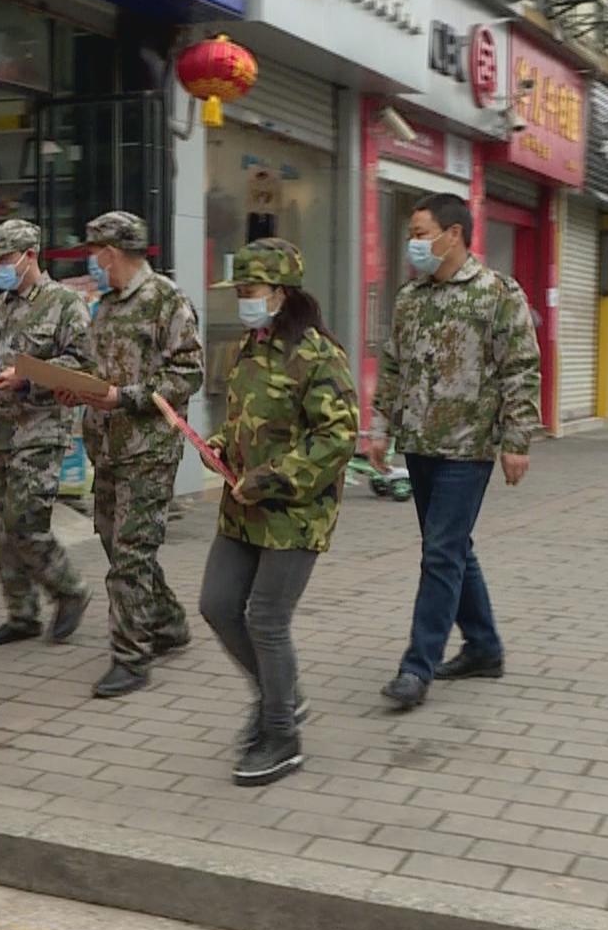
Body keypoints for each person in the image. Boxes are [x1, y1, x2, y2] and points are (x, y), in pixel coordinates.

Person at [365, 192, 540, 710]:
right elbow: (393, 365)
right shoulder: (411, 296)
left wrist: (516, 439)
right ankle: (484, 648)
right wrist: (379, 428)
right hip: (420, 443)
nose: (414, 243)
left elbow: (521, 369)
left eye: (421, 233)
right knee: (454, 548)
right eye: (412, 235)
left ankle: (417, 667)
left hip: (469, 447)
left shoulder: (497, 294)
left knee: (440, 552)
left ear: (454, 234)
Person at [198, 239, 358, 787]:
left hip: (294, 510)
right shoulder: (250, 345)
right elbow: (247, 420)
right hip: (242, 507)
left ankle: (282, 736)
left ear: (281, 292)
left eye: (251, 291)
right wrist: (220, 444)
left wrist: (269, 478)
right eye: (239, 290)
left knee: (266, 619)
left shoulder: (316, 354)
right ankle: (280, 696)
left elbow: (338, 436)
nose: (243, 299)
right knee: (218, 605)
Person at [60, 211, 203, 698]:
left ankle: (131, 657)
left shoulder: (165, 299)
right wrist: (72, 387)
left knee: (131, 554)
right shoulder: (106, 305)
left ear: (112, 253)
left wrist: (128, 397)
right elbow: (97, 369)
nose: (91, 263)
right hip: (107, 444)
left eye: (94, 253)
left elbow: (188, 372)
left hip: (148, 449)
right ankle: (168, 622)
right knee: (113, 539)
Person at [0, 219, 95, 648]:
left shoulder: (65, 304)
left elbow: (85, 367)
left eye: (5, 259)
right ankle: (21, 613)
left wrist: (26, 378)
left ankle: (69, 589)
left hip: (41, 428)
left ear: (30, 256)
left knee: (24, 520)